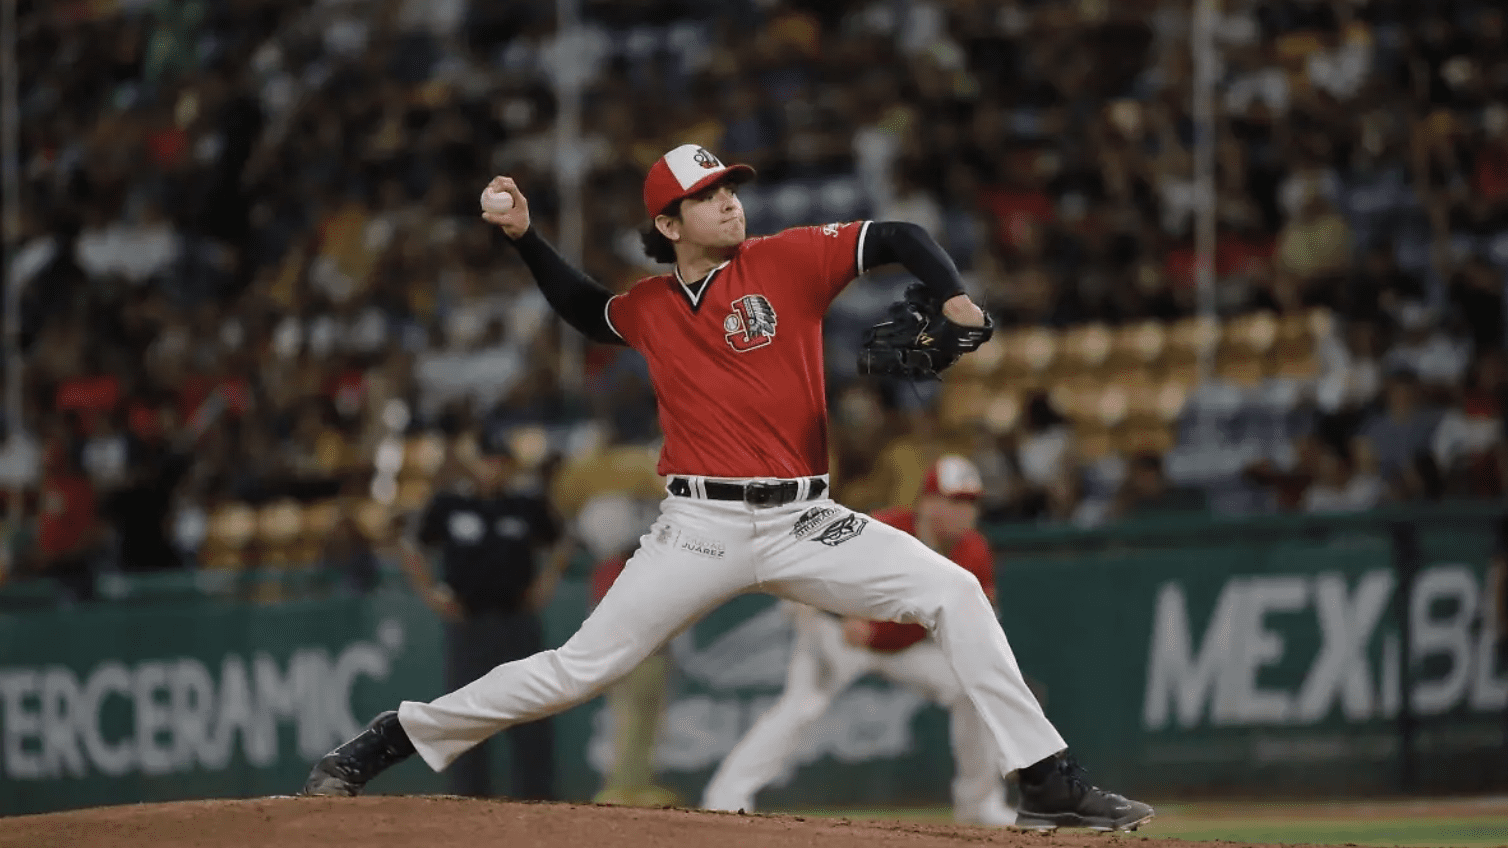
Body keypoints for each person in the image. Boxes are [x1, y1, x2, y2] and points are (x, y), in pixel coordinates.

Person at [303, 144, 1154, 832]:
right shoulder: (650, 306)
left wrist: (956, 300)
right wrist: (525, 237)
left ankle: (1045, 778)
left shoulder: (788, 261)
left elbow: (896, 234)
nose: (728, 203)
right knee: (577, 671)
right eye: (706, 196)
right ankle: (393, 736)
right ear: (668, 223)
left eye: (729, 189)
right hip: (699, 527)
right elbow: (586, 309)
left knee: (956, 591)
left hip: (806, 518)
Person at [701, 455, 1015, 826]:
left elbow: (960, 625)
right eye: (955, 501)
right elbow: (813, 567)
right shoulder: (884, 529)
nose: (965, 511)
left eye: (971, 502)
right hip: (839, 633)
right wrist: (829, 615)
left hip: (901, 644)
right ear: (928, 502)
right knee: (803, 705)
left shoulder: (974, 551)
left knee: (973, 689)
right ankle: (726, 795)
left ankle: (978, 802)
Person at [394, 430, 569, 799]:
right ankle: (468, 799)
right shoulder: (450, 505)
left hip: (516, 620)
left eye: (501, 462)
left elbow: (561, 539)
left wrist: (547, 581)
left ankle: (538, 798)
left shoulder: (524, 505)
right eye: (488, 461)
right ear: (474, 464)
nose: (494, 469)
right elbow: (411, 544)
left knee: (530, 709)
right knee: (467, 712)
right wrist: (430, 592)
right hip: (469, 622)